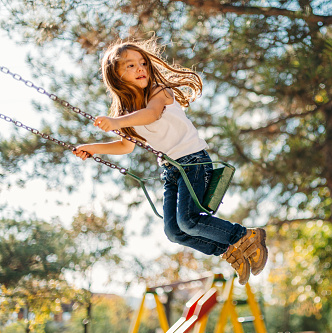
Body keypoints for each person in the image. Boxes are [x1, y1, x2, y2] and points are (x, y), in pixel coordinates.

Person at [73, 38, 268, 284]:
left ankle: (244, 236)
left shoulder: (158, 91)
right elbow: (125, 146)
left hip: (193, 161)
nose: (140, 68)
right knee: (174, 231)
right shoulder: (127, 113)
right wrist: (93, 148)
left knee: (189, 220)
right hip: (171, 171)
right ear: (116, 75)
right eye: (130, 66)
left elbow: (152, 114)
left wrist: (116, 123)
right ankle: (229, 251)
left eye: (142, 63)